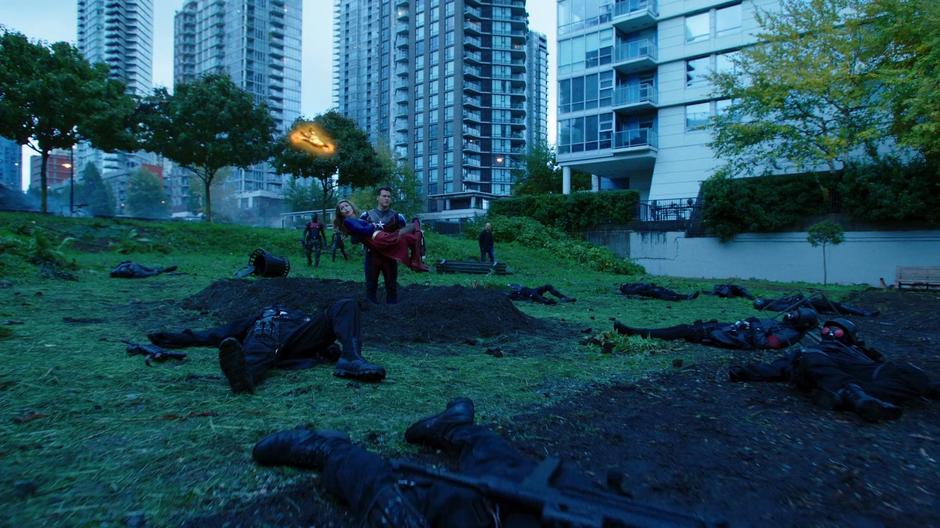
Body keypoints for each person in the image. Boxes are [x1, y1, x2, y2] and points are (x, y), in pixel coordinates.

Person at [252, 398, 713, 527]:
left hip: (481, 515)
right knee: (494, 453)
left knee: (387, 493)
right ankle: (452, 427)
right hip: (565, 498)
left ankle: (330, 450)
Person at [146, 298, 386, 393]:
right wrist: (175, 337)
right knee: (264, 332)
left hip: (298, 340)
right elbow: (216, 333)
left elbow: (324, 330)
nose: (280, 305)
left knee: (345, 304)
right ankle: (245, 375)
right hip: (267, 337)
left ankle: (352, 358)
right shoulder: (262, 317)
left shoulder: (302, 315)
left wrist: (329, 349)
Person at [728, 319, 940, 422]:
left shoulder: (859, 352)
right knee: (810, 356)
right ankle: (854, 397)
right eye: (826, 329)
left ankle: (849, 398)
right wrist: (744, 371)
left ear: (849, 335)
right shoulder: (813, 350)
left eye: (836, 330)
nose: (828, 332)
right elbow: (777, 368)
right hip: (819, 373)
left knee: (902, 369)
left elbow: (881, 366)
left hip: (864, 378)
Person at [613, 307, 819, 350]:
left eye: (796, 315)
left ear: (802, 322)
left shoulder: (790, 334)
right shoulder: (786, 326)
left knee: (682, 329)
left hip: (731, 337)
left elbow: (764, 344)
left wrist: (754, 326)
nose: (791, 314)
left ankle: (633, 332)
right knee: (691, 327)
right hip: (732, 330)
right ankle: (635, 331)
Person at [334, 199, 429, 276]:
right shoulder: (348, 221)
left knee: (408, 237)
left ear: (351, 206)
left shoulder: (355, 219)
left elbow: (359, 233)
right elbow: (363, 230)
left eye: (347, 205)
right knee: (412, 227)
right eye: (342, 208)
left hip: (378, 238)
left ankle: (416, 260)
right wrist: (373, 225)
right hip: (378, 237)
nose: (346, 208)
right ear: (341, 213)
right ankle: (416, 260)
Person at [358, 187, 409, 304]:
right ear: (378, 197)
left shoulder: (398, 217)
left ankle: (392, 314)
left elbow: (404, 237)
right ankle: (371, 313)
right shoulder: (366, 216)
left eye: (389, 196)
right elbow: (358, 235)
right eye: (384, 196)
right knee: (371, 286)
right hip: (372, 256)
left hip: (390, 257)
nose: (386, 198)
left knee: (391, 287)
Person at [753, 294, 879, 317]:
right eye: (761, 300)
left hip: (806, 303)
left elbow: (787, 300)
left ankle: (861, 311)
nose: (763, 299)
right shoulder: (774, 306)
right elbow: (789, 306)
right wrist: (799, 299)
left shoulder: (772, 302)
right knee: (833, 305)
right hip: (807, 305)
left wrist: (796, 297)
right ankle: (863, 313)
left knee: (835, 305)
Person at [619, 282, 699, 301]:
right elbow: (636, 290)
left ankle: (686, 296)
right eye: (625, 285)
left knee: (666, 290)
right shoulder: (629, 289)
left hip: (649, 288)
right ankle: (673, 298)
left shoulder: (633, 285)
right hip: (648, 291)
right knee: (658, 292)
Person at [507, 284, 576, 305]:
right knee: (534, 295)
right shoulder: (512, 294)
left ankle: (563, 297)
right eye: (512, 287)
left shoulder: (519, 286)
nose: (514, 288)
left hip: (533, 290)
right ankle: (547, 302)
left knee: (547, 286)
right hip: (530, 295)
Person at [110, 261, 177, 278]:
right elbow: (149, 273)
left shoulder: (118, 269)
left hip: (134, 266)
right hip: (136, 269)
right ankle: (164, 270)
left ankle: (163, 269)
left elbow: (123, 263)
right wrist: (155, 272)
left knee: (151, 269)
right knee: (153, 270)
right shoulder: (137, 274)